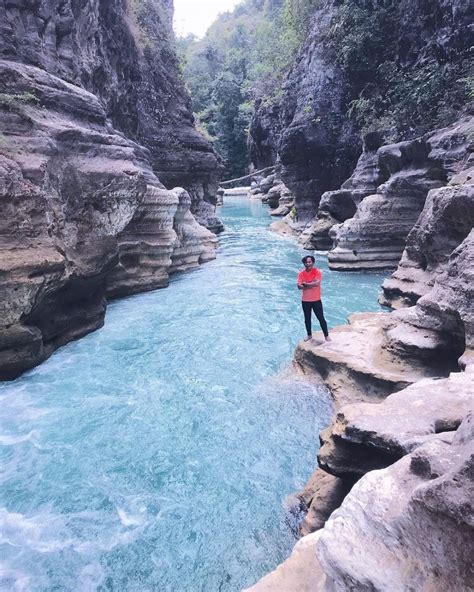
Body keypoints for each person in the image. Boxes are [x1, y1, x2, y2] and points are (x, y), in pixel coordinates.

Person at [297, 255, 330, 342]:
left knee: (321, 318)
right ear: (304, 263)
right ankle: (309, 335)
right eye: (306, 262)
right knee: (307, 319)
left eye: (309, 262)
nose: (308, 264)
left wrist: (305, 284)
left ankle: (326, 336)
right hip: (305, 300)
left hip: (316, 300)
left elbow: (316, 284)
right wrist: (309, 284)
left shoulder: (317, 272)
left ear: (313, 262)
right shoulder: (301, 274)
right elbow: (299, 287)